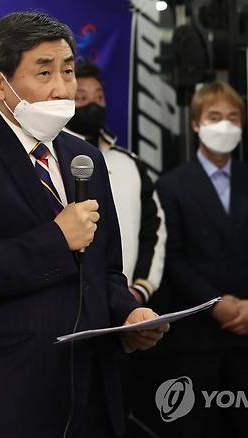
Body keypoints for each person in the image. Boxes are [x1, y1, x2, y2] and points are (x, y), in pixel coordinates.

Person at [0, 11, 169, 438]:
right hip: (10, 394)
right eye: (44, 73)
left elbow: (106, 270)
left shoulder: (85, 158)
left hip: (91, 390)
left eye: (68, 71)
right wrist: (57, 239)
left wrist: (129, 314)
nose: (62, 88)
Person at [148, 81, 248, 437]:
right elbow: (173, 259)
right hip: (197, 337)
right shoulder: (171, 185)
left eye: (233, 118)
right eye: (214, 117)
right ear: (196, 123)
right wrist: (214, 303)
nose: (225, 125)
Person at [64, 62, 166, 305]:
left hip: (126, 303)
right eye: (82, 97)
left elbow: (153, 228)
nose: (93, 105)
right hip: (65, 305)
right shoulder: (48, 160)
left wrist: (141, 288)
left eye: (99, 97)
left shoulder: (130, 163)